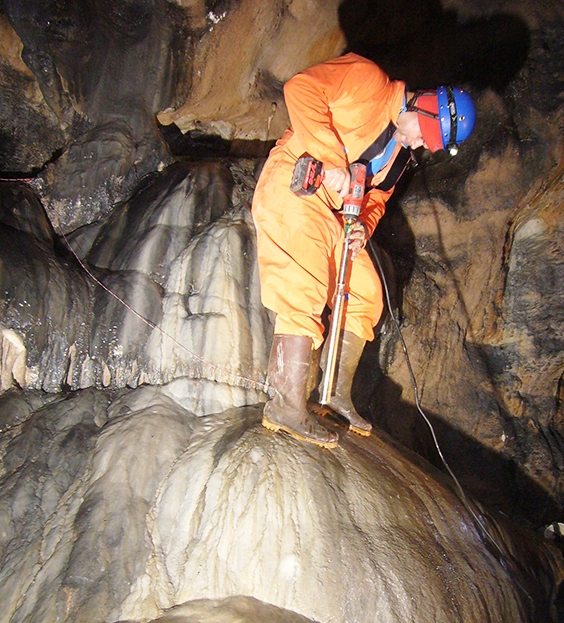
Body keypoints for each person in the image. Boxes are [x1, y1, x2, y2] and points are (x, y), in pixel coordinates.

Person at [252, 52, 475, 449]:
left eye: (429, 144)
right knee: (303, 289)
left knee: (367, 292)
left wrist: (362, 228)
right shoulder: (367, 80)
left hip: (335, 214)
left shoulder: (400, 155)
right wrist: (332, 158)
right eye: (425, 134)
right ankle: (285, 404)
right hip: (295, 185)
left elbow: (376, 198)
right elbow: (300, 88)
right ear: (422, 105)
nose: (421, 144)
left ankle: (334, 395)